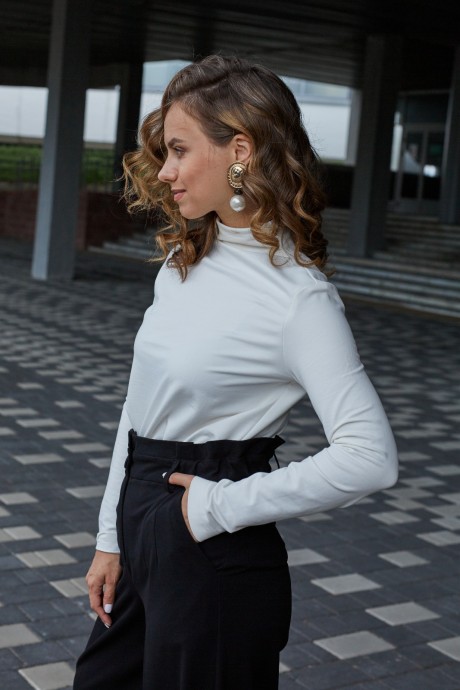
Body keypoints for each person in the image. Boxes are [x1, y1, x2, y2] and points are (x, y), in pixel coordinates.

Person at [73, 55, 398, 690]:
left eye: (178, 150)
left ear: (240, 152)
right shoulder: (183, 263)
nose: (163, 171)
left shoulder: (299, 298)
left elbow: (370, 457)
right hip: (144, 526)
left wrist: (217, 506)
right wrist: (111, 536)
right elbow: (138, 410)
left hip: (211, 554)